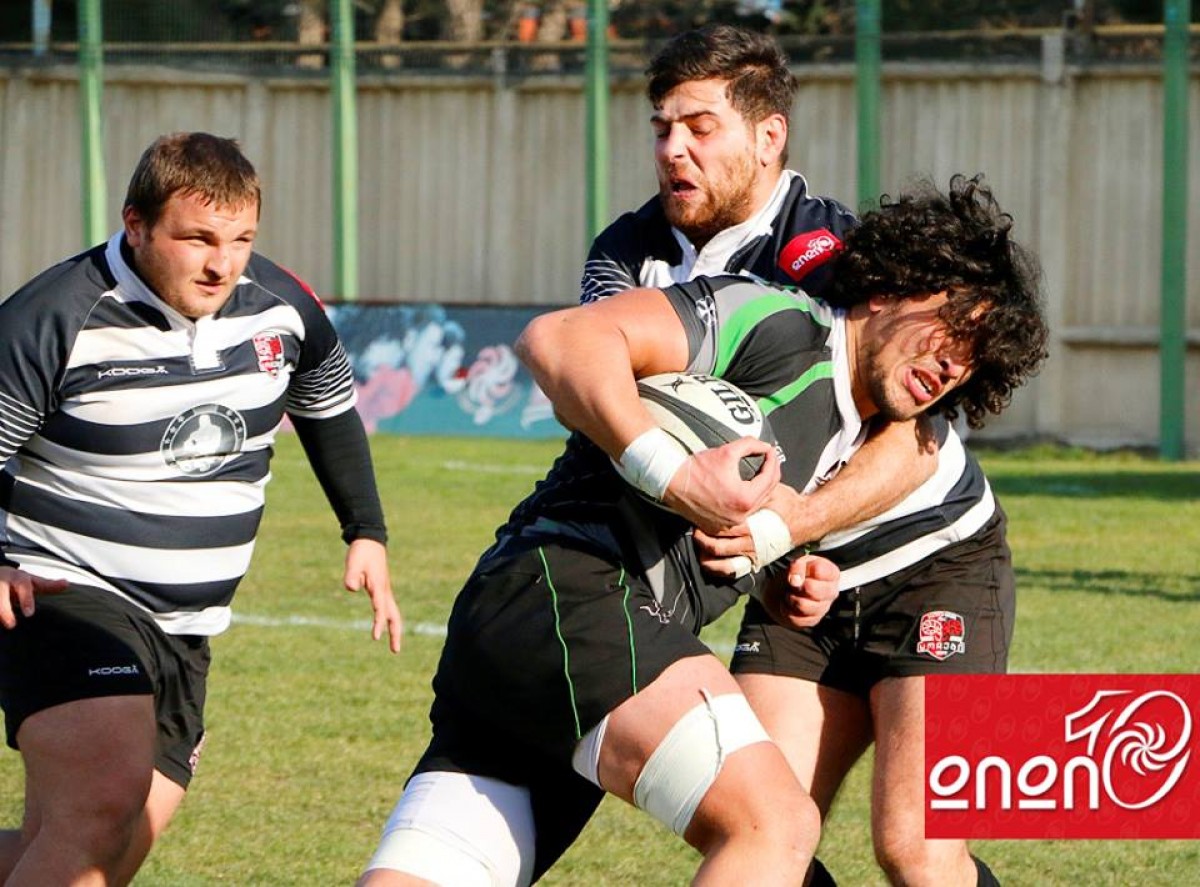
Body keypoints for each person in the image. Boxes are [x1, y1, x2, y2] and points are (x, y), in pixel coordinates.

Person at [358, 175, 1047, 886]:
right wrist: (674, 475)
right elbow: (558, 337)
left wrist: (778, 576)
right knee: (774, 824)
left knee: (432, 872)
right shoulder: (781, 322)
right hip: (574, 595)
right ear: (893, 287)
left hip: (523, 631)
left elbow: (721, 518)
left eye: (975, 353)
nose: (953, 361)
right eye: (952, 325)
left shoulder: (850, 430)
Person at [580, 25, 1035, 885]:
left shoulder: (835, 254)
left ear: (769, 136)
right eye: (662, 127)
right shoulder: (626, 253)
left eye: (700, 127)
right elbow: (625, 404)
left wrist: (791, 524)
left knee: (916, 849)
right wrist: (774, 553)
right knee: (752, 823)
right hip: (796, 583)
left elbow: (914, 438)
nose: (673, 149)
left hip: (935, 562)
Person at [0, 132, 402, 884]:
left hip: (189, 629)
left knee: (98, 846)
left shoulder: (282, 307)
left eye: (241, 239)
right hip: (66, 592)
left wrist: (365, 531)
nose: (223, 263)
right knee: (101, 807)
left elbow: (328, 403)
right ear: (136, 224)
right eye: (197, 239)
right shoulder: (54, 318)